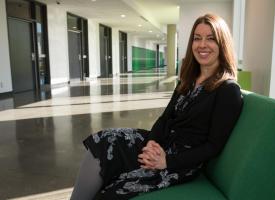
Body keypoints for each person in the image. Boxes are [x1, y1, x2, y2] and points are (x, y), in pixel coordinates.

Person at [70, 13, 243, 200]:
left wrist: (166, 161)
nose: (202, 45)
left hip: (180, 161)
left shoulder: (228, 90)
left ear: (222, 44)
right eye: (197, 38)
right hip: (161, 144)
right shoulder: (188, 80)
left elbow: (213, 146)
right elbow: (165, 118)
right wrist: (152, 142)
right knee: (104, 141)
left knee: (113, 191)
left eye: (211, 39)